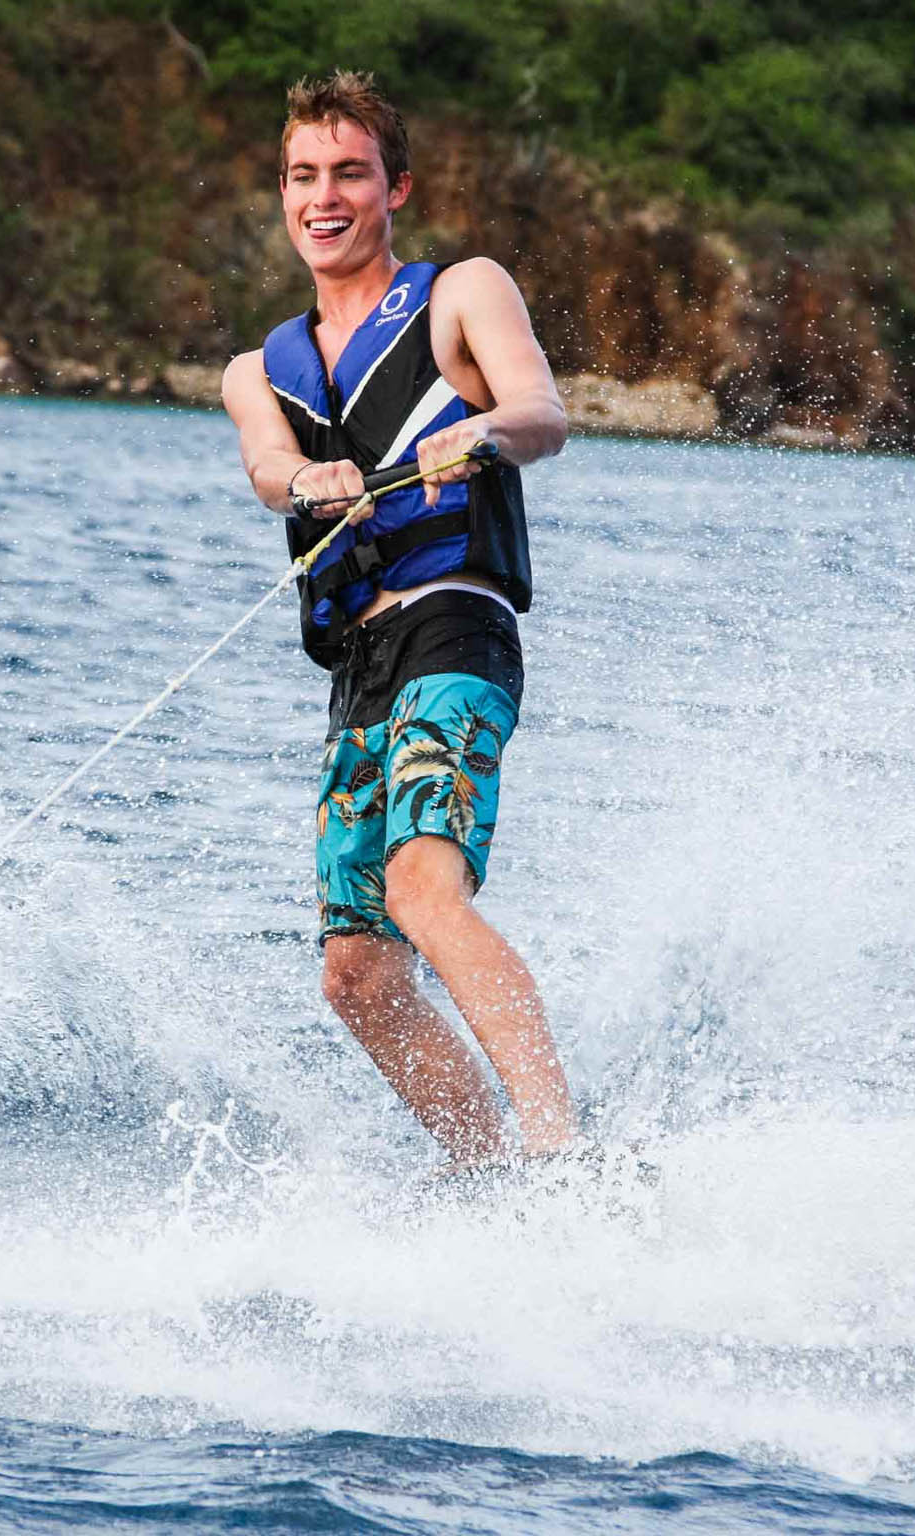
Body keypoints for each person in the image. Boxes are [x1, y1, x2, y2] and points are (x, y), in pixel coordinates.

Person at [220, 69, 577, 1168]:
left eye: (348, 173)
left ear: (395, 187)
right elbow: (269, 470)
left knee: (424, 886)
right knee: (357, 972)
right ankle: (487, 1175)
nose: (321, 196)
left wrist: (480, 435)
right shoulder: (254, 373)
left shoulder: (461, 292)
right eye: (301, 175)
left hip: (454, 633)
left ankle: (563, 1159)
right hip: (362, 667)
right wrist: (302, 484)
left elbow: (540, 412)